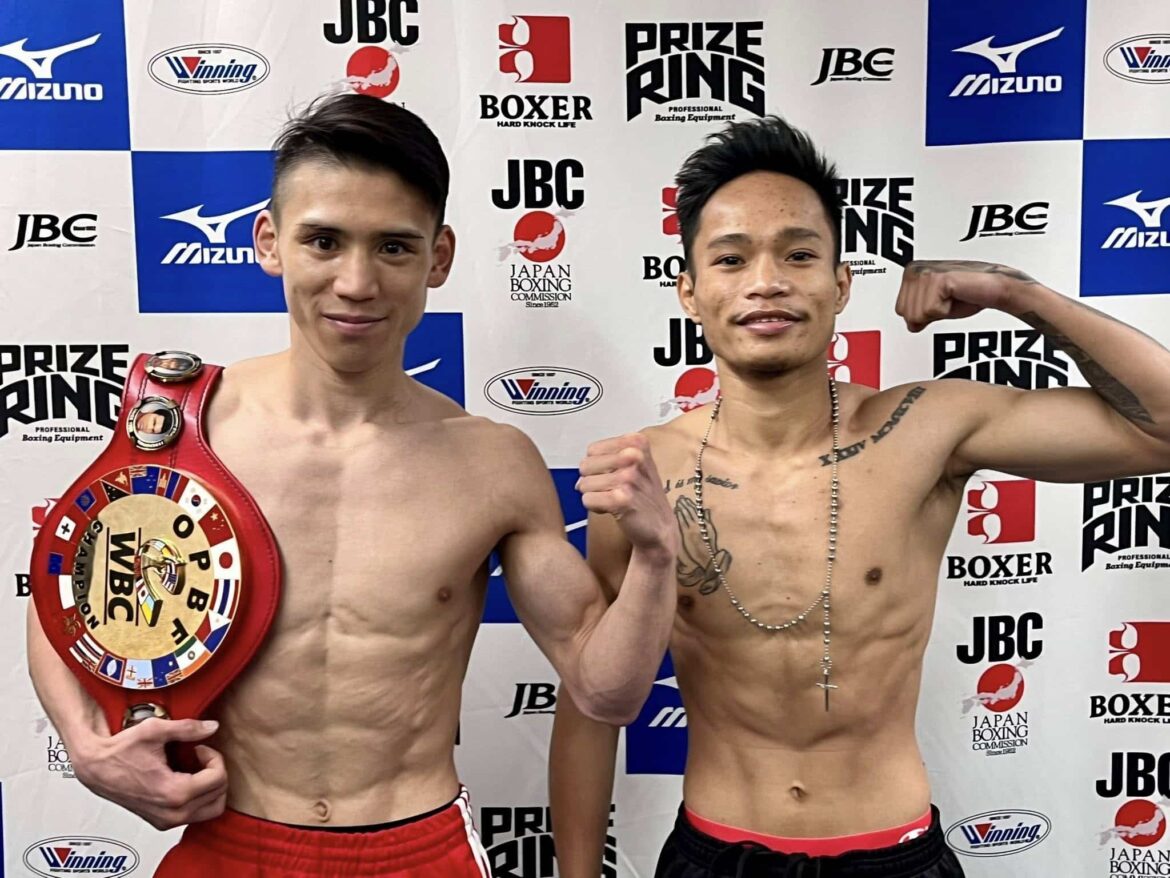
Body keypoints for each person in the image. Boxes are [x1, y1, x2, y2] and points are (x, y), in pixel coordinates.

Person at [26, 93, 679, 878]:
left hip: (418, 849)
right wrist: (87, 748)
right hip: (230, 842)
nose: (358, 282)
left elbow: (604, 692)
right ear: (270, 242)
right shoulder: (183, 428)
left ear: (439, 258)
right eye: (324, 241)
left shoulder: (492, 461)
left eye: (395, 248)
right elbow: (62, 591)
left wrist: (654, 558)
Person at [549, 115, 1170, 878]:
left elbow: (1160, 428)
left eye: (799, 254)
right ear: (691, 290)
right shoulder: (644, 475)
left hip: (893, 858)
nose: (766, 281)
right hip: (715, 853)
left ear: (841, 283)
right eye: (732, 258)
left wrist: (1017, 293)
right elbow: (591, 701)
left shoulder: (922, 428)